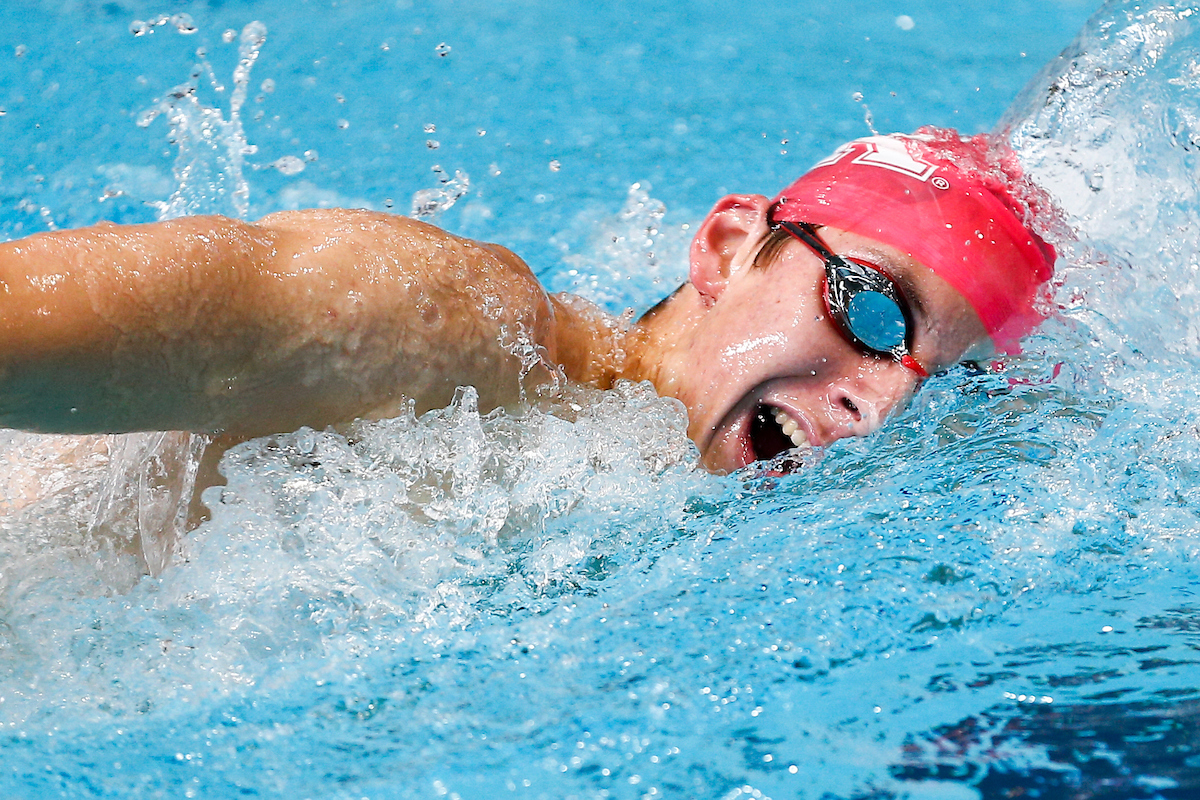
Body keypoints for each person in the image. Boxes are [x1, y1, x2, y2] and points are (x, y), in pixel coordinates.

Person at [0, 126, 1055, 478]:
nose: (881, 409)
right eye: (877, 315)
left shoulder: (625, 484)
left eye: (939, 385)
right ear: (729, 246)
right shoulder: (451, 326)